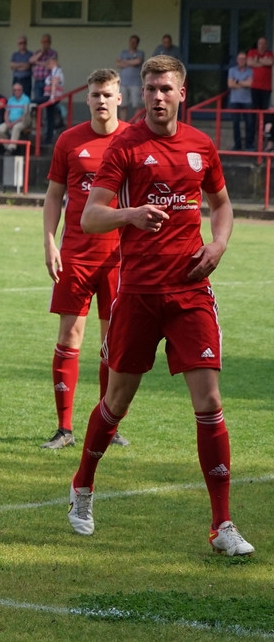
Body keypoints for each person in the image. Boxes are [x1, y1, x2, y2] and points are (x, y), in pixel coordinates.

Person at [67, 55, 254, 558]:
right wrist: (130, 214)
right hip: (138, 294)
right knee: (116, 402)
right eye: (149, 88)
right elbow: (90, 217)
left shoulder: (201, 145)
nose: (156, 96)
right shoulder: (125, 145)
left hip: (190, 291)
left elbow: (222, 204)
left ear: (181, 93)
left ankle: (222, 525)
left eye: (165, 88)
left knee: (209, 401)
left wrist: (218, 245)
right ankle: (83, 484)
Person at [41, 68, 131, 450]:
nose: (101, 101)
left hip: (119, 257)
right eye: (95, 94)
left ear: (119, 98)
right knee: (69, 336)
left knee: (112, 342)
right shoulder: (69, 140)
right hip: (76, 255)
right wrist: (50, 241)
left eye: (107, 94)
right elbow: (53, 195)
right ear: (88, 99)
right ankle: (64, 429)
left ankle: (108, 426)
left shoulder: (133, 139)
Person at [246, 37, 273, 150]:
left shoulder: (270, 54)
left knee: (265, 115)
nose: (262, 45)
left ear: (266, 45)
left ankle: (263, 140)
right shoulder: (252, 52)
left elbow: (270, 62)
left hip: (266, 89)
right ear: (257, 44)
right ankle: (251, 142)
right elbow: (249, 62)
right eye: (260, 43)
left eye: (264, 43)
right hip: (254, 88)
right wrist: (263, 62)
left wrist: (257, 61)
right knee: (253, 115)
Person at [226, 51, 254, 152]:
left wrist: (237, 81)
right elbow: (230, 84)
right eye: (240, 59)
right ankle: (237, 145)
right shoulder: (232, 70)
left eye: (243, 59)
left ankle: (249, 145)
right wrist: (243, 83)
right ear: (237, 60)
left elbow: (249, 84)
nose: (242, 61)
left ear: (246, 60)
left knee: (249, 123)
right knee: (236, 123)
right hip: (235, 101)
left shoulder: (250, 71)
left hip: (247, 101)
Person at [0, 82, 30, 152]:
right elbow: (6, 112)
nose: (16, 91)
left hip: (22, 121)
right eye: (14, 90)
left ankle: (12, 147)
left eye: (18, 90)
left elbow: (25, 115)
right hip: (10, 121)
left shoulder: (26, 99)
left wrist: (13, 123)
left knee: (16, 127)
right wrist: (7, 122)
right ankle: (8, 147)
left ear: (22, 90)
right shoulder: (11, 99)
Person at [116, 35, 144, 122]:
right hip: (123, 83)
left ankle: (137, 125)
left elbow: (138, 61)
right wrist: (132, 62)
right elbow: (118, 64)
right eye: (131, 41)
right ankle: (123, 124)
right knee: (122, 105)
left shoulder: (140, 53)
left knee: (137, 106)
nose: (132, 43)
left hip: (135, 83)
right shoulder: (123, 52)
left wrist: (124, 62)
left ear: (137, 43)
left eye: (134, 42)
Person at [41, 55, 65, 143]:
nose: (47, 66)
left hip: (52, 97)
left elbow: (54, 84)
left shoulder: (56, 71)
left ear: (52, 63)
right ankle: (48, 137)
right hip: (50, 96)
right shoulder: (53, 72)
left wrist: (52, 97)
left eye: (48, 64)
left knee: (34, 102)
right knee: (50, 117)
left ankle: (49, 137)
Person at [29, 33, 57, 104]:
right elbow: (31, 61)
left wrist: (37, 62)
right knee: (37, 102)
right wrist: (41, 53)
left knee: (48, 102)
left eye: (46, 42)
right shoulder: (37, 52)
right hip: (37, 81)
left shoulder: (53, 53)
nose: (44, 44)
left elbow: (48, 64)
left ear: (50, 43)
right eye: (43, 42)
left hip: (48, 82)